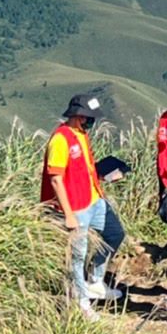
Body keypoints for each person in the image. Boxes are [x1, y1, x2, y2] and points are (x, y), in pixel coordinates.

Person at [42, 92, 124, 318]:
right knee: (77, 256)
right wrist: (68, 214)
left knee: (115, 234)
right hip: (75, 207)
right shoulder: (61, 139)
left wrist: (103, 178)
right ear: (78, 116)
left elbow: (83, 169)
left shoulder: (80, 134)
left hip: (94, 199)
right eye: (89, 119)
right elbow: (56, 179)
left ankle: (96, 281)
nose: (92, 123)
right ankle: (81, 303)